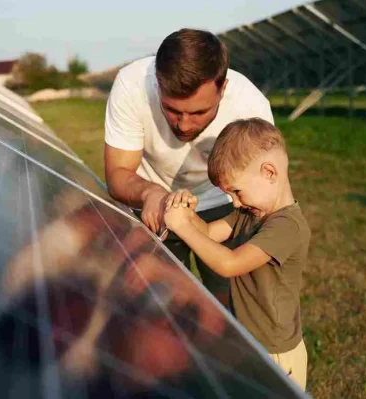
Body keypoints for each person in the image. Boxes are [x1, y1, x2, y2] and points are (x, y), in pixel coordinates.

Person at [104, 28, 274, 306]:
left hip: (225, 207)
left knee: (230, 304)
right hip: (155, 210)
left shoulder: (250, 108)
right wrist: (151, 194)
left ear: (223, 88)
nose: (183, 125)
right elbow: (117, 175)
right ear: (158, 84)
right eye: (172, 110)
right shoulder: (132, 85)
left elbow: (263, 196)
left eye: (198, 112)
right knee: (160, 310)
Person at [163, 118, 310, 390]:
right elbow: (207, 233)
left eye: (236, 191)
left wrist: (183, 227)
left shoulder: (286, 226)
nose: (234, 201)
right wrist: (188, 212)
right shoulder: (248, 213)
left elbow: (230, 264)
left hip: (276, 351)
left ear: (269, 172)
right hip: (251, 342)